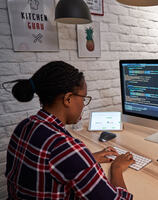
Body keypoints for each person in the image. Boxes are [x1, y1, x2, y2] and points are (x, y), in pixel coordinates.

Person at [4, 61, 134, 199]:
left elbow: (51, 164)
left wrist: (86, 160)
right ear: (68, 99)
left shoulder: (24, 125)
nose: (84, 105)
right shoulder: (65, 148)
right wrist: (117, 168)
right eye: (83, 98)